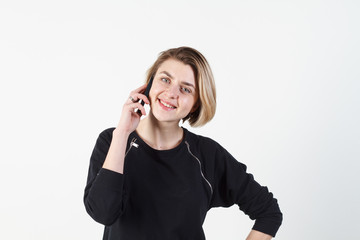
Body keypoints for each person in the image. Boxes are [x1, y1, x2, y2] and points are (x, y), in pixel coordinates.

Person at [84, 47, 282, 240]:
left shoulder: (207, 155)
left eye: (185, 89)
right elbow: (103, 213)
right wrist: (123, 133)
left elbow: (268, 212)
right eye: (165, 79)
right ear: (149, 84)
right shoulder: (112, 140)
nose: (171, 93)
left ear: (196, 103)